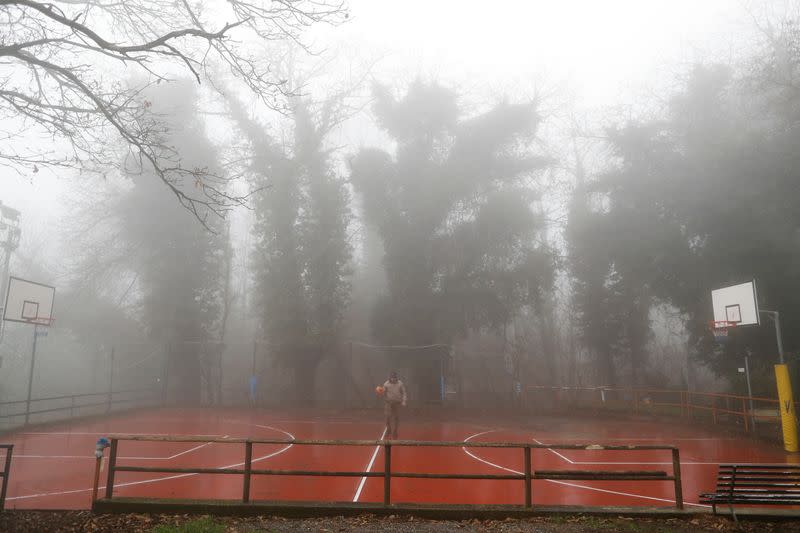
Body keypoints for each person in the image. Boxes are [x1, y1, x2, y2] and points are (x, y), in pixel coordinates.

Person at [382, 371, 407, 439]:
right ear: (390, 377)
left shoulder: (400, 383)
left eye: (394, 377)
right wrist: (381, 391)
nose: (393, 379)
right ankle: (389, 429)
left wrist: (404, 401)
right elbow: (383, 393)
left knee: (396, 418)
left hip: (397, 403)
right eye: (392, 377)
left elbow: (404, 392)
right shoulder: (386, 384)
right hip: (388, 403)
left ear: (396, 377)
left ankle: (395, 431)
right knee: (387, 417)